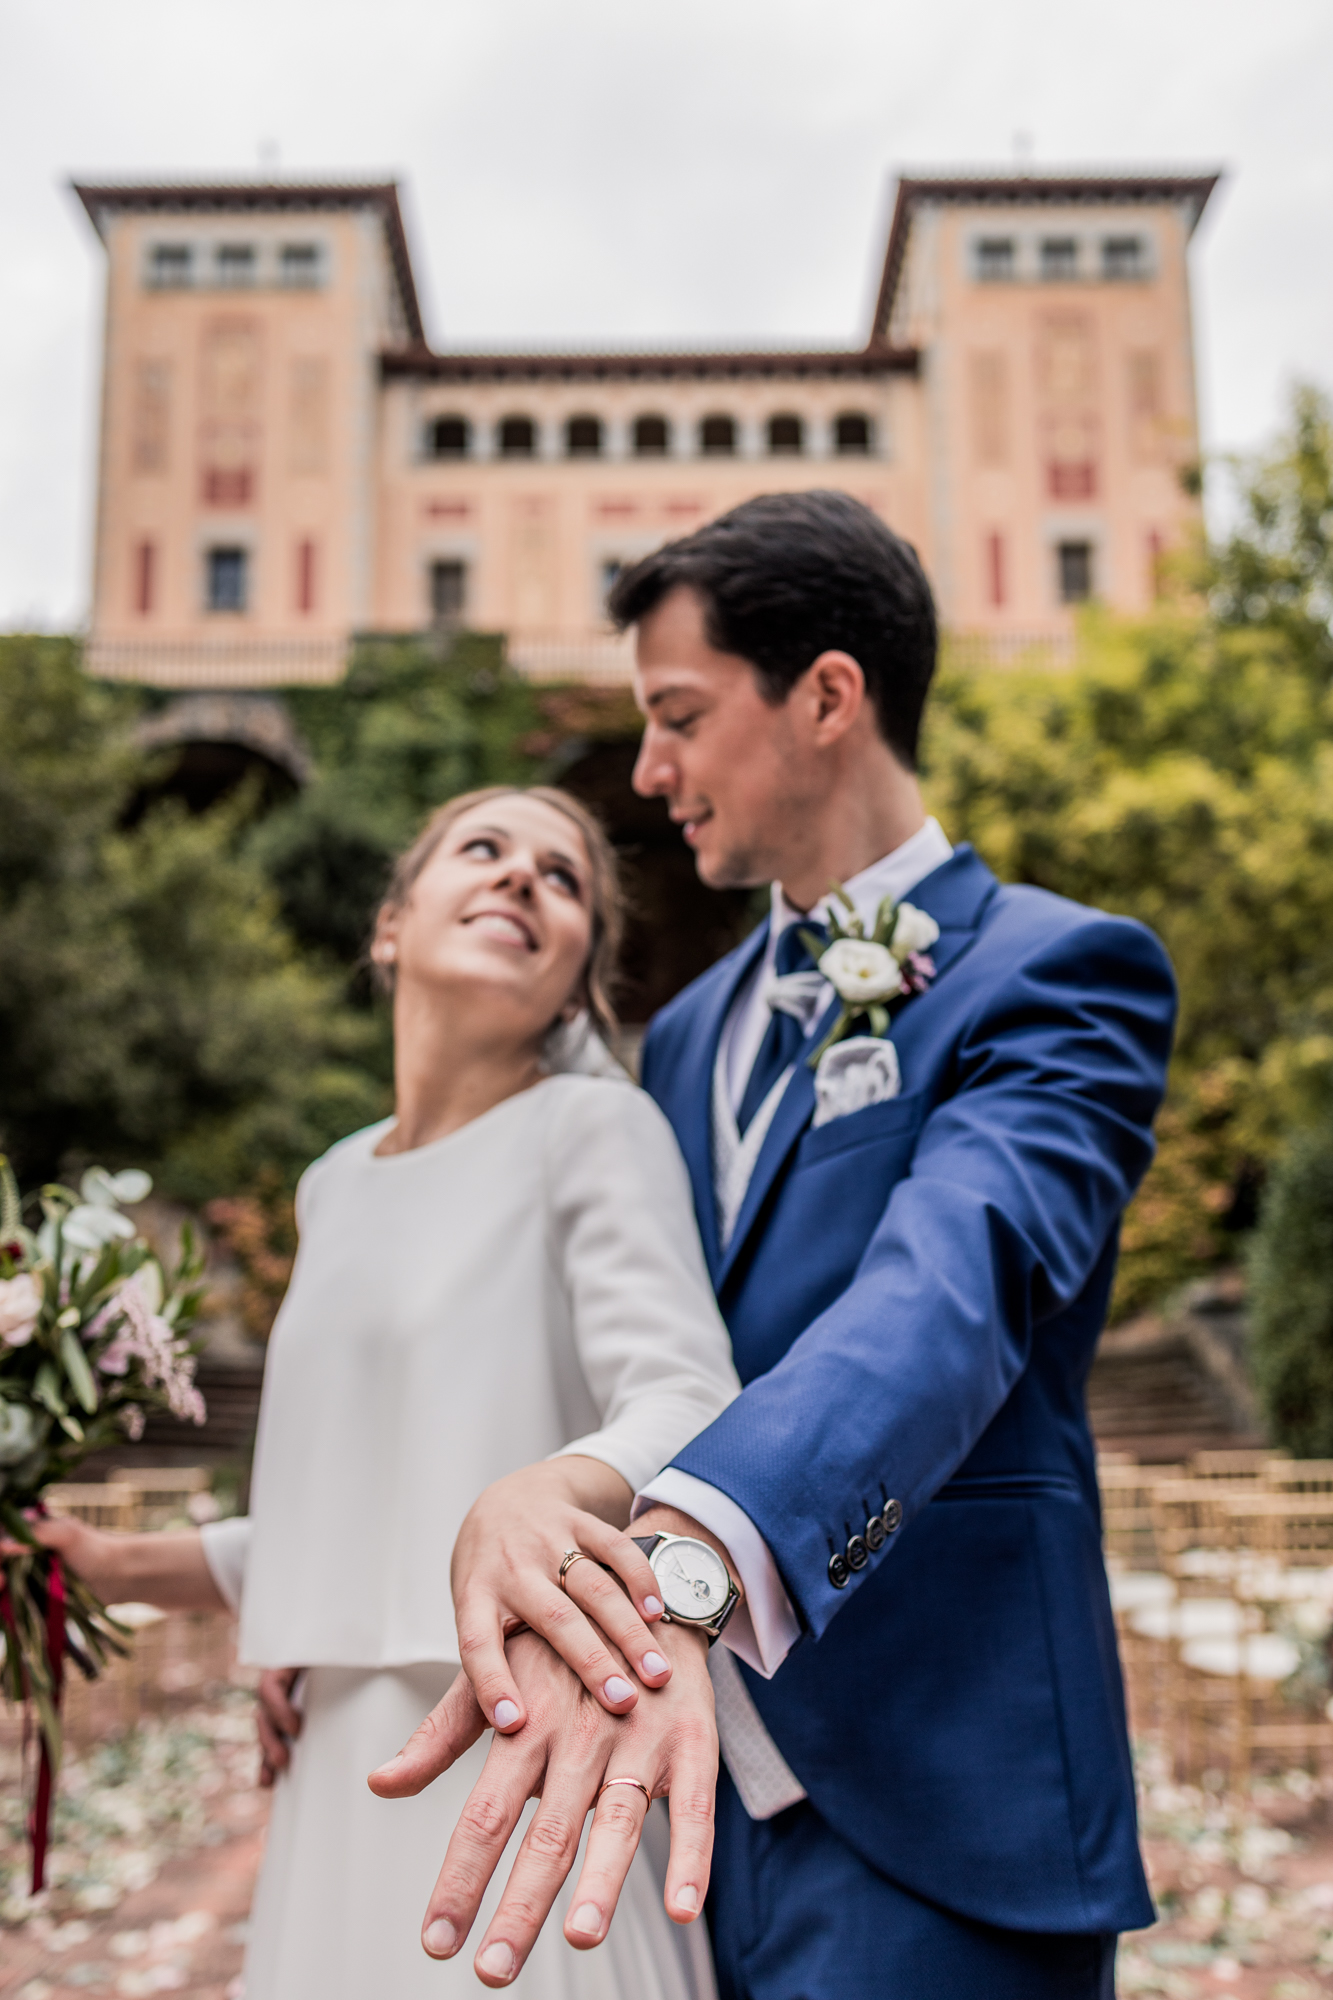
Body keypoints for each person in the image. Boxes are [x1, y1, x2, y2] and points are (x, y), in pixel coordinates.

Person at [374, 492, 1177, 1999]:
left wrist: (675, 1572)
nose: (646, 771)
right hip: (654, 1815)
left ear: (824, 697)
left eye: (676, 715)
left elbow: (945, 1293)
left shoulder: (1059, 975)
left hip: (938, 1801)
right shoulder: (676, 1041)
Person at [26, 784, 741, 2000]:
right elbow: (352, 1512)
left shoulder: (596, 1127)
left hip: (514, 1739)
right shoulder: (330, 1183)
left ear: (575, 984)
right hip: (330, 1767)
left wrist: (549, 1489)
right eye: (484, 849)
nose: (522, 877)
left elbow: (693, 1395)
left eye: (560, 877)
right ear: (390, 925)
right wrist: (103, 1561)